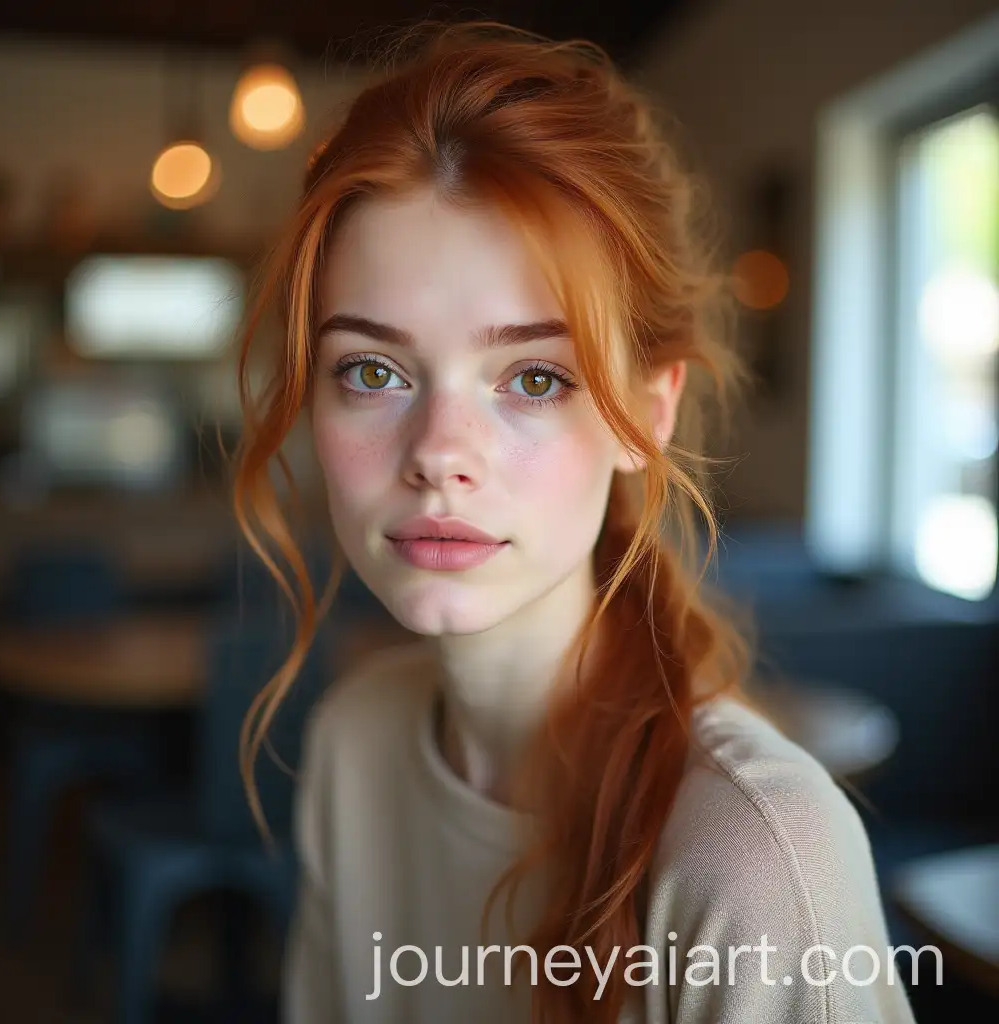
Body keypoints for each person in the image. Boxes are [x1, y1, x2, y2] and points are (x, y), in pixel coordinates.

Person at [233, 21, 919, 1024]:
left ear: (646, 412)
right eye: (372, 371)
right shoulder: (352, 744)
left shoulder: (757, 853)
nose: (438, 449)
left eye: (534, 376)